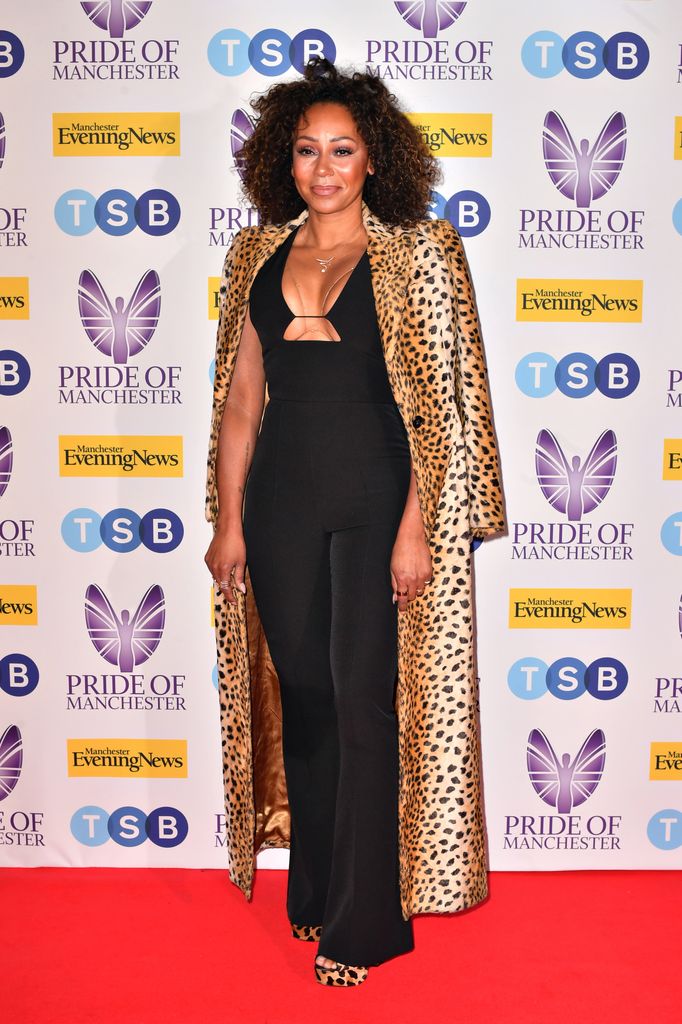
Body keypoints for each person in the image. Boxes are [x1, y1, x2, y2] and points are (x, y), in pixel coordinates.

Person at [205, 56, 506, 988]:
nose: (323, 167)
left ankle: (364, 927)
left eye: (342, 149)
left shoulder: (422, 252)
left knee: (364, 705)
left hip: (379, 500)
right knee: (307, 698)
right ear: (283, 161)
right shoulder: (254, 256)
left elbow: (446, 408)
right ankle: (314, 893)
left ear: (375, 159)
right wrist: (228, 519)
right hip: (281, 502)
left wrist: (419, 525)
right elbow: (242, 401)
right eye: (306, 150)